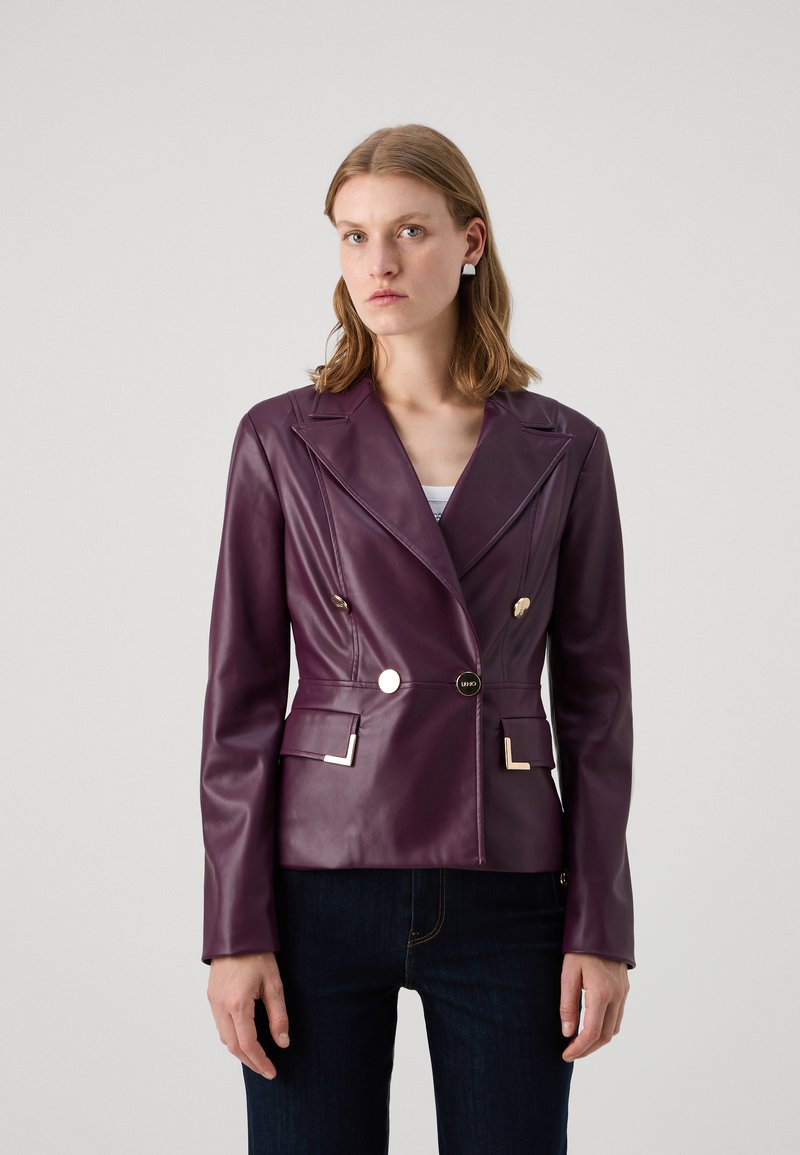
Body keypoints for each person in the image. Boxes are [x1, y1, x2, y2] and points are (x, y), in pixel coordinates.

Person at [200, 123, 635, 1154]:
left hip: (510, 880)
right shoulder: (281, 437)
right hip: (319, 873)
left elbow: (598, 706)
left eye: (408, 231)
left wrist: (602, 923)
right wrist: (233, 929)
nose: (378, 263)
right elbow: (240, 698)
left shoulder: (564, 447)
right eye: (353, 236)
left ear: (470, 242)